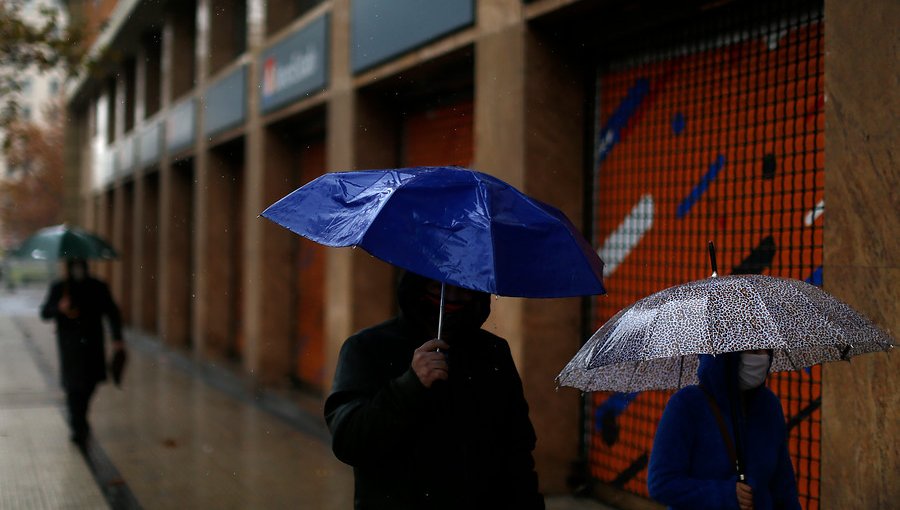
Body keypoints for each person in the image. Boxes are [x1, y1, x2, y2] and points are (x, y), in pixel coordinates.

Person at [324, 271, 545, 510]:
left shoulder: (493, 353)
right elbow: (349, 441)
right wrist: (410, 385)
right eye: (437, 286)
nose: (450, 297)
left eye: (462, 287)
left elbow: (517, 454)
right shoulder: (367, 348)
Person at [647, 350, 801, 510]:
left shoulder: (769, 405)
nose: (761, 356)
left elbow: (783, 486)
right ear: (726, 352)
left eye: (765, 348)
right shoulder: (687, 404)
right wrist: (724, 494)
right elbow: (661, 483)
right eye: (752, 349)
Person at [40, 258, 124, 447]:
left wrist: (118, 338)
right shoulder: (60, 288)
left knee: (89, 384)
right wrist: (59, 308)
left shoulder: (97, 287)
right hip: (70, 347)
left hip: (93, 344)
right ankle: (78, 426)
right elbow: (45, 312)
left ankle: (80, 419)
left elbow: (112, 312)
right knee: (73, 386)